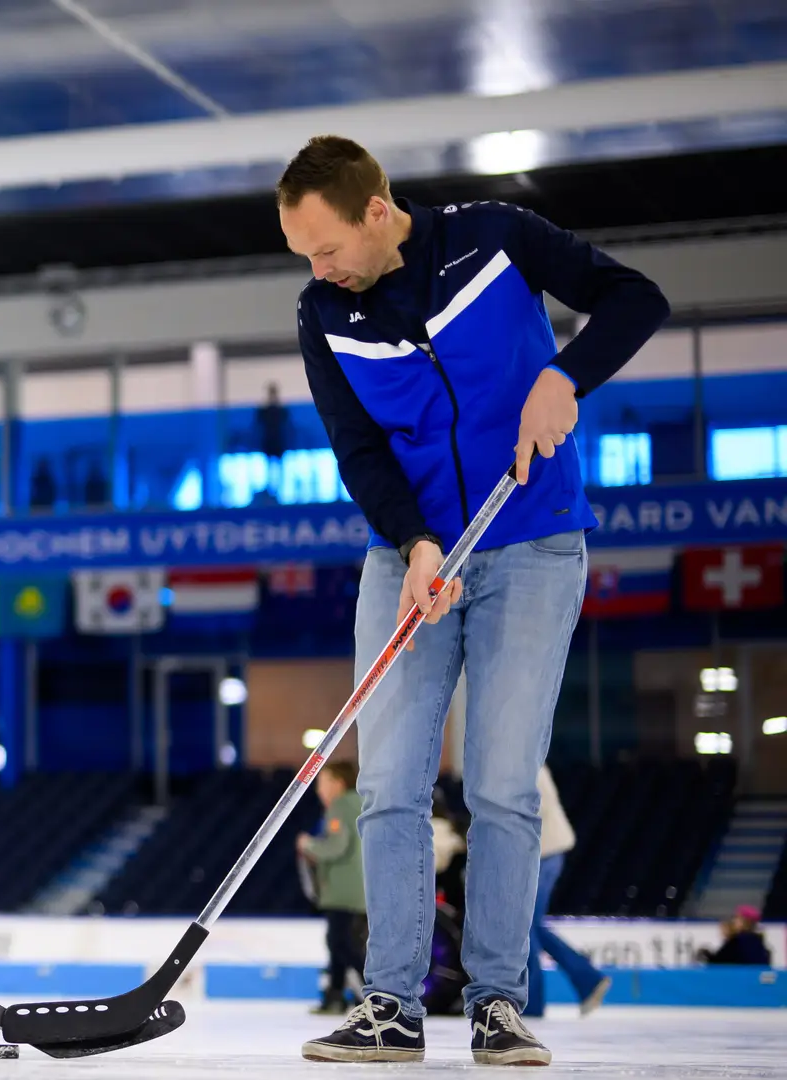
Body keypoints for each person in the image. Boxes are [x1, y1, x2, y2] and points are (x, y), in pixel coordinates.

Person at [278, 135, 668, 1067]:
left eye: (326, 247)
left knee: (501, 786)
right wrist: (413, 541)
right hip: (409, 557)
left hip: (531, 542)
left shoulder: (494, 238)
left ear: (377, 211)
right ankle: (390, 1004)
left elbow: (636, 297)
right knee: (388, 785)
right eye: (304, 255)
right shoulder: (323, 311)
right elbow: (357, 448)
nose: (318, 269)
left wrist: (563, 376)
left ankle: (496, 1001)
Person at [526, 765, 611, 1017]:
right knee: (530, 926)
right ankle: (587, 979)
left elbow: (536, 805)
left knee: (526, 927)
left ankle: (533, 1004)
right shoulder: (518, 761)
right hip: (540, 853)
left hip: (544, 853)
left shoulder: (528, 762)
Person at [298, 760, 367, 1015]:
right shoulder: (360, 803)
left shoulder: (340, 806)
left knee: (340, 942)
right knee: (341, 942)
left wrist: (309, 845)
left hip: (343, 890)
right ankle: (335, 995)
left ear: (338, 783)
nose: (319, 789)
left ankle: (372, 991)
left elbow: (337, 846)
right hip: (359, 888)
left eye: (322, 782)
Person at [698, 906, 772, 966]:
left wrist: (706, 955)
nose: (733, 921)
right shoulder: (758, 942)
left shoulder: (738, 941)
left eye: (737, 918)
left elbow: (719, 962)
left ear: (745, 922)